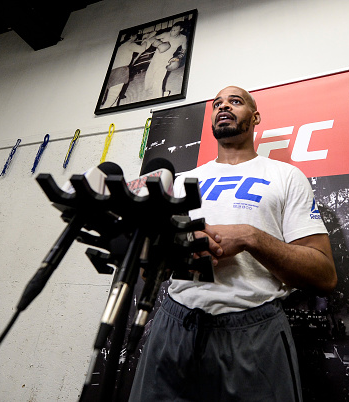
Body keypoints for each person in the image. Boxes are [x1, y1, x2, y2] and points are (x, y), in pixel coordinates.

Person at [129, 86, 337, 401]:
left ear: (255, 117)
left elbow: (324, 275)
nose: (223, 106)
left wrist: (249, 236)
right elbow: (148, 274)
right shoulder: (184, 179)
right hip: (174, 322)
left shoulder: (286, 176)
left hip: (253, 331)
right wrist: (178, 248)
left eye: (235, 101)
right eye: (217, 103)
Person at [101, 33, 149, 108]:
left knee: (115, 97)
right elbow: (142, 49)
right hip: (120, 71)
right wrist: (145, 41)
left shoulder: (121, 46)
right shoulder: (130, 44)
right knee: (112, 97)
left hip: (112, 71)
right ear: (132, 36)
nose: (136, 37)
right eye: (135, 35)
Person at [143, 21, 188, 99]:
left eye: (175, 30)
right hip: (156, 57)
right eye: (172, 29)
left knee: (159, 77)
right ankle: (151, 90)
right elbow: (152, 39)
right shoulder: (166, 34)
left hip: (167, 59)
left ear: (181, 30)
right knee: (150, 74)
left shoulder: (183, 38)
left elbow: (184, 49)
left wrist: (179, 57)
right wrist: (158, 43)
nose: (172, 32)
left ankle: (158, 97)